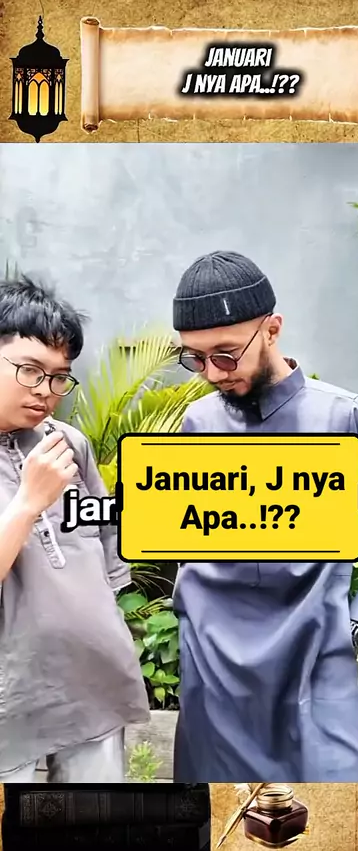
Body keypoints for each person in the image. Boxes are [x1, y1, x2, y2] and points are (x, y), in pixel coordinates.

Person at [171, 250, 358, 782]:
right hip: (214, 665)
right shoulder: (198, 422)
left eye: (226, 355)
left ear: (272, 329)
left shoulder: (349, 418)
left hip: (316, 656)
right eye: (195, 358)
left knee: (338, 805)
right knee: (221, 812)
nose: (211, 374)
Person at [0, 276, 150, 782]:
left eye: (60, 377)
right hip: (10, 700)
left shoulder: (69, 444)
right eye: (29, 370)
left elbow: (105, 563)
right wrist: (28, 502)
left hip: (91, 688)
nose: (46, 391)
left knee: (96, 818)